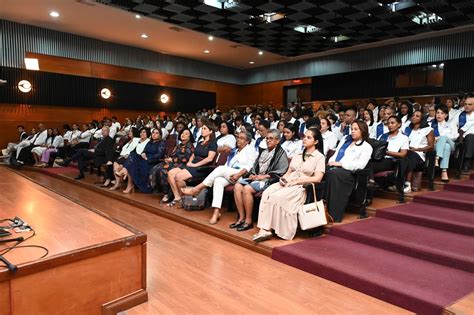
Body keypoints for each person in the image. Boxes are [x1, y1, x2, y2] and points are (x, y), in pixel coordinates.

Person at [253, 128, 325, 242]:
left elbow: (318, 178)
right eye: (304, 137)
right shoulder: (298, 154)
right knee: (267, 192)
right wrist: (283, 179)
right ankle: (264, 229)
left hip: (301, 187)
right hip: (288, 182)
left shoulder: (319, 157)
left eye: (309, 137)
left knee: (276, 197)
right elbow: (288, 172)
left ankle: (268, 229)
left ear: (316, 142)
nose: (304, 139)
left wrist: (297, 182)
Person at [181, 131, 257, 225]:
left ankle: (198, 188)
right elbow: (227, 165)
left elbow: (249, 166)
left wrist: (237, 175)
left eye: (242, 138)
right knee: (218, 181)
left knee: (220, 169)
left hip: (242, 176)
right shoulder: (235, 151)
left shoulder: (250, 150)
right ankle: (216, 212)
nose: (238, 139)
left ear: (247, 141)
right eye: (238, 137)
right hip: (230, 174)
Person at [233, 129, 289, 229]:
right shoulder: (263, 151)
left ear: (277, 141)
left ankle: (248, 220)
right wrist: (252, 175)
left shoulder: (281, 154)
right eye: (267, 138)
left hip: (269, 181)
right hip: (257, 178)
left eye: (271, 139)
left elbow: (281, 172)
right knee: (237, 186)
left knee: (247, 188)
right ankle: (241, 217)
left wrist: (263, 176)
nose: (268, 140)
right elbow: (255, 166)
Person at [326, 120, 373, 222]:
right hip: (335, 169)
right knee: (324, 171)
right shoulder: (345, 141)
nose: (352, 131)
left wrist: (341, 164)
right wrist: (331, 162)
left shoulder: (366, 147)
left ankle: (333, 214)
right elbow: (335, 155)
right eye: (352, 129)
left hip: (350, 174)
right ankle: (319, 211)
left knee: (333, 173)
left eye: (356, 129)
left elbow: (360, 165)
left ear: (363, 131)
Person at [167, 118, 217, 206]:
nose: (202, 130)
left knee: (178, 177)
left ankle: (184, 199)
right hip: (192, 165)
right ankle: (177, 197)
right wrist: (189, 162)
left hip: (201, 168)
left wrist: (195, 165)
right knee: (170, 173)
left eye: (205, 129)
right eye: (202, 128)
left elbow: (209, 158)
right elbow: (193, 154)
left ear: (210, 131)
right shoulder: (200, 142)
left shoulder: (212, 143)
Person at [150, 128, 194, 203]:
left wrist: (172, 160)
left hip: (182, 165)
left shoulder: (190, 146)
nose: (183, 135)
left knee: (163, 170)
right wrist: (168, 158)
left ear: (189, 137)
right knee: (155, 168)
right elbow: (173, 154)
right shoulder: (179, 145)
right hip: (174, 162)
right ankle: (159, 190)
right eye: (183, 133)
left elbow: (185, 158)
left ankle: (168, 194)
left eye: (186, 134)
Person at [119, 128, 166, 193]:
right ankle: (125, 172)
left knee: (132, 164)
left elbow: (159, 155)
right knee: (133, 154)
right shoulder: (150, 142)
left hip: (152, 161)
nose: (154, 134)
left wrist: (148, 159)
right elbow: (144, 151)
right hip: (144, 158)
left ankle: (128, 179)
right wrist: (143, 153)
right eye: (153, 133)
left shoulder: (161, 143)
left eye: (157, 133)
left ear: (160, 135)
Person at [404, 110, 434, 192]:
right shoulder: (408, 129)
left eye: (417, 116)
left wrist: (416, 149)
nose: (414, 117)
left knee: (410, 155)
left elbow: (431, 146)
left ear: (422, 118)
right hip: (407, 151)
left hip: (420, 155)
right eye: (413, 115)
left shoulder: (428, 129)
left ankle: (407, 184)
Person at [432, 105, 458, 182]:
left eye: (442, 113)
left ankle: (436, 158)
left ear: (446, 115)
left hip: (451, 144)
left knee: (443, 138)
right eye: (437, 113)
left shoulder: (451, 124)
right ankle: (444, 171)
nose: (439, 115)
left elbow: (454, 136)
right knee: (446, 147)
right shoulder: (431, 125)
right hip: (436, 145)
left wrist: (440, 137)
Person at [456, 96, 474, 173]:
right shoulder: (459, 114)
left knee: (470, 137)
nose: (467, 106)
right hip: (460, 135)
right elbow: (454, 126)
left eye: (470, 104)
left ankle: (466, 162)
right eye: (465, 104)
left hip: (471, 137)